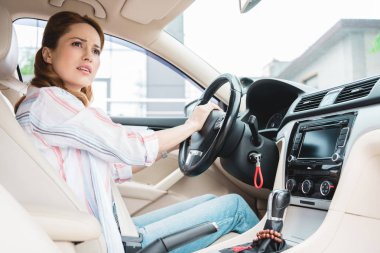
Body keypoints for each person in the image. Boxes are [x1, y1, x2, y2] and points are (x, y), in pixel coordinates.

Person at [15, 11, 259, 253]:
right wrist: (192, 125)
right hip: (103, 242)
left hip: (110, 232)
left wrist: (176, 141)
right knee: (235, 208)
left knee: (210, 203)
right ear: (48, 53)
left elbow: (114, 165)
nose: (89, 56)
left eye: (96, 50)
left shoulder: (46, 104)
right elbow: (129, 147)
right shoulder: (50, 103)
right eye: (77, 44)